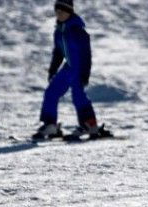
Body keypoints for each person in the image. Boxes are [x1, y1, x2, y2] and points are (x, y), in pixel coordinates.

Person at [32, 0, 103, 140]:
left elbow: (86, 53)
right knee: (51, 92)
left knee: (78, 95)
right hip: (69, 66)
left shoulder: (77, 31)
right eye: (56, 12)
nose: (58, 15)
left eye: (62, 12)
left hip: (79, 66)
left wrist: (85, 73)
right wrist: (52, 70)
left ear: (69, 12)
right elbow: (58, 53)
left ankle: (89, 124)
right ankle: (50, 125)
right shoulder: (59, 32)